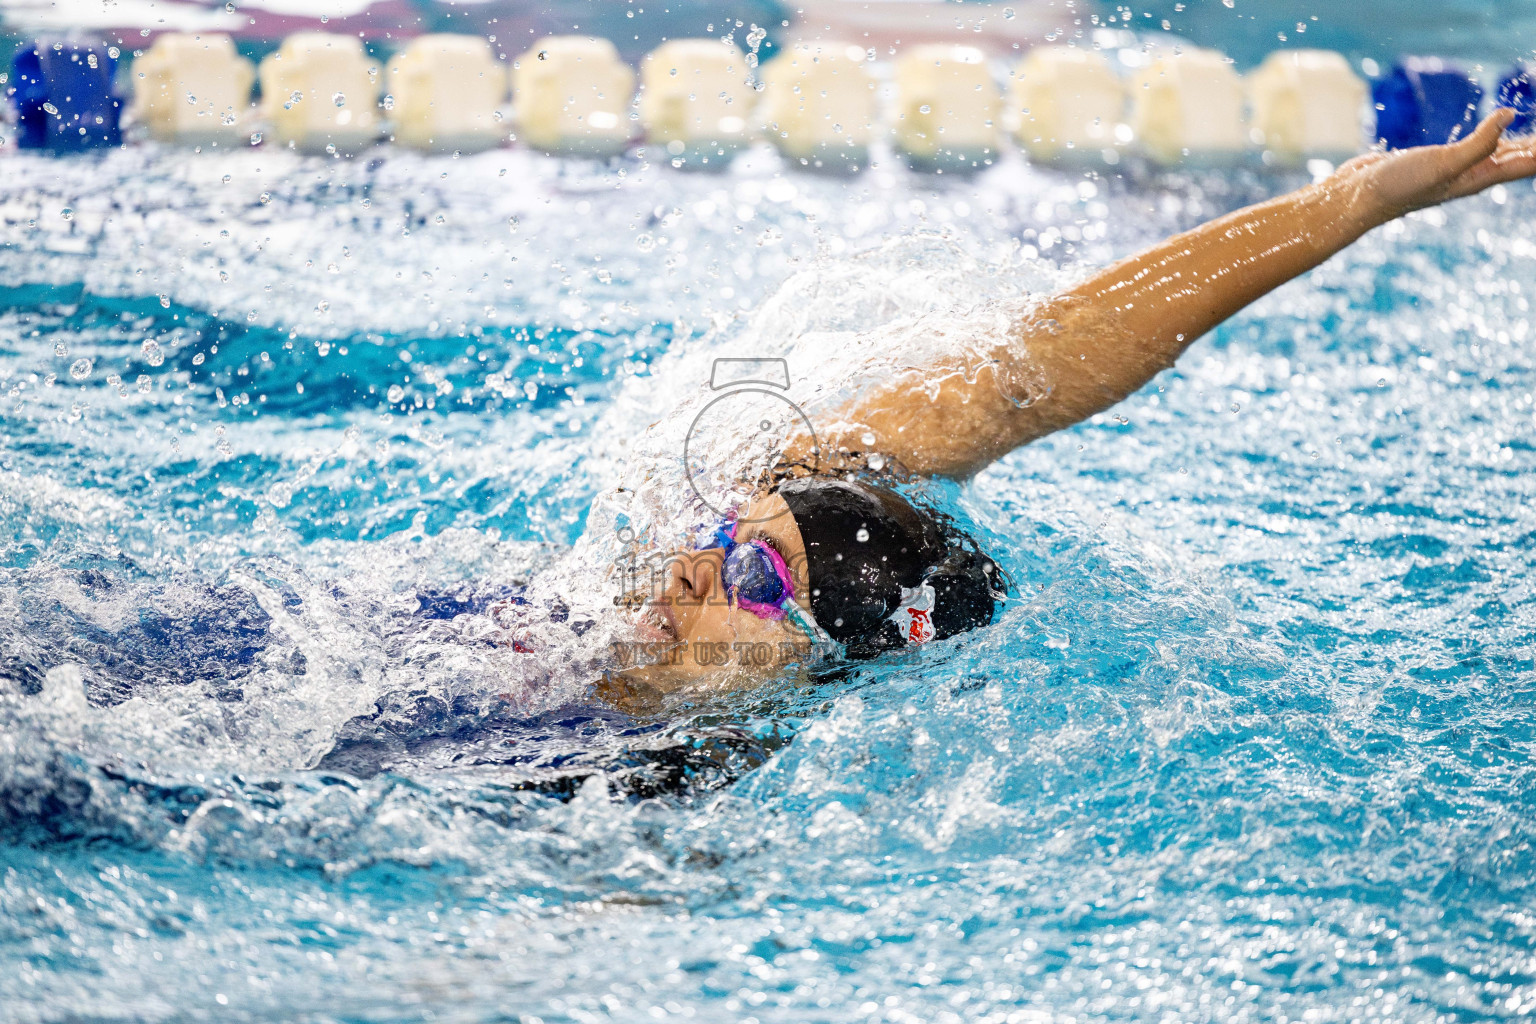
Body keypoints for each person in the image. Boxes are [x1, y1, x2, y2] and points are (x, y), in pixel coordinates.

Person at [596, 108, 1536, 708]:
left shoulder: (651, 809)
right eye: (726, 537)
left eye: (754, 584)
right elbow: (1036, 370)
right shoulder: (607, 620)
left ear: (818, 671)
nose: (687, 570)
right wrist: (1348, 202)